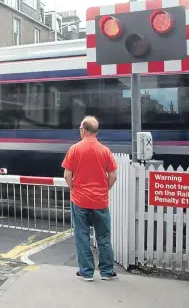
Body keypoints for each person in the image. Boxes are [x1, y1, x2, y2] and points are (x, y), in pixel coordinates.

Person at [62, 115, 118, 282]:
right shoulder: (105, 150)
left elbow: (67, 175)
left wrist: (75, 189)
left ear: (84, 130)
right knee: (104, 237)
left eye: (80, 129)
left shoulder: (75, 149)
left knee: (82, 235)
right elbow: (113, 176)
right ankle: (107, 272)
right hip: (100, 201)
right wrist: (103, 189)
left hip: (80, 200)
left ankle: (86, 272)